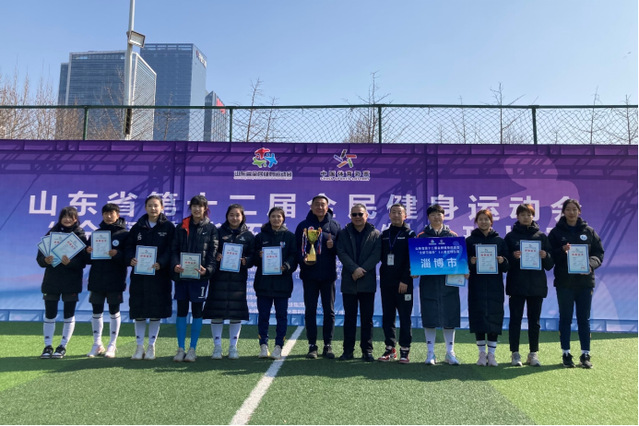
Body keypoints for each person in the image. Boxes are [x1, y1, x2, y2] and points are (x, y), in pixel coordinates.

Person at [548, 199, 604, 369]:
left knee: (584, 319)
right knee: (565, 318)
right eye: (568, 209)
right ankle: (566, 353)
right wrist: (561, 250)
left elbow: (598, 253)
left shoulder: (589, 231)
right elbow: (549, 257)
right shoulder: (556, 233)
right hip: (564, 283)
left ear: (579, 211)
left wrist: (590, 265)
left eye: (574, 209)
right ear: (563, 212)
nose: (571, 212)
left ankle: (585, 354)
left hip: (585, 283)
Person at [125, 194, 175, 360]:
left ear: (162, 208)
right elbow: (129, 246)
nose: (153, 208)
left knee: (155, 311)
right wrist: (131, 258)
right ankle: (139, 346)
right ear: (145, 207)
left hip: (160, 276)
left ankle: (152, 346)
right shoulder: (138, 227)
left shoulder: (168, 227)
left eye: (156, 205)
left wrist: (161, 262)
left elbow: (171, 249)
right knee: (139, 311)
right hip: (140, 276)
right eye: (150, 205)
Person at [504, 203, 554, 367]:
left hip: (536, 285)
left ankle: (533, 353)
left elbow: (550, 265)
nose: (526, 217)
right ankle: (515, 353)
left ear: (533, 216)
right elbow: (504, 264)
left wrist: (546, 256)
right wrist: (513, 257)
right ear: (517, 217)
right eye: (522, 215)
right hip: (517, 284)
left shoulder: (541, 237)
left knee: (535, 321)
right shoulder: (510, 237)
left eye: (529, 214)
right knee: (515, 320)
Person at [203, 204, 255, 360]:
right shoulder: (218, 232)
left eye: (237, 215)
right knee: (217, 313)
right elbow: (210, 251)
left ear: (242, 217)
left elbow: (253, 256)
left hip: (238, 280)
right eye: (231, 215)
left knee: (235, 314)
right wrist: (216, 256)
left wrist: (246, 260)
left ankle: (233, 347)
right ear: (227, 216)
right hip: (218, 278)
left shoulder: (248, 235)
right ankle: (217, 347)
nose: (234, 218)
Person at [171, 195, 219, 362]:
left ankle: (192, 349)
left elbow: (212, 255)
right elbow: (174, 250)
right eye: (194, 206)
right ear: (190, 208)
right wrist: (175, 265)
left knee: (197, 312)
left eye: (200, 206)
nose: (197, 209)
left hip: (199, 278)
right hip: (182, 277)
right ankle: (180, 348)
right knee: (181, 311)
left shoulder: (211, 229)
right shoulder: (181, 227)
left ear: (206, 209)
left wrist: (207, 270)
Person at [36, 206, 88, 359]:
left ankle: (62, 346)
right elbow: (39, 259)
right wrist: (45, 260)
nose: (67, 219)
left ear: (76, 219)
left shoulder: (80, 236)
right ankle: (47, 346)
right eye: (64, 216)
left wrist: (70, 263)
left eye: (71, 217)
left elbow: (84, 261)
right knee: (50, 314)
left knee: (68, 314)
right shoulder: (51, 234)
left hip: (71, 281)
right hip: (52, 280)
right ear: (60, 218)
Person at [295, 194, 341, 359]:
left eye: (323, 204)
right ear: (311, 207)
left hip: (328, 276)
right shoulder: (303, 226)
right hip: (309, 275)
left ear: (327, 207)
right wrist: (303, 260)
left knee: (329, 311)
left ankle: (328, 345)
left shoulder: (335, 226)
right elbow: (296, 249)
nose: (320, 207)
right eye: (317, 204)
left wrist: (333, 246)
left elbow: (342, 250)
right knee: (310, 310)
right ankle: (312, 345)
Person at [417, 204, 461, 365]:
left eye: (439, 214)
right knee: (429, 316)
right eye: (433, 215)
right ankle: (430, 353)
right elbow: (416, 260)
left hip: (448, 283)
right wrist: (414, 270)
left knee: (450, 316)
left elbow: (459, 259)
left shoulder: (452, 236)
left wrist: (463, 270)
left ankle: (450, 353)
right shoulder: (421, 237)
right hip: (429, 283)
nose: (436, 217)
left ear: (444, 216)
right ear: (428, 217)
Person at [336, 204, 381, 362]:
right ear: (350, 216)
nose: (357, 217)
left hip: (367, 282)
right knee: (349, 318)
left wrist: (362, 270)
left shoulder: (375, 234)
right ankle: (348, 351)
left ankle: (367, 351)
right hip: (350, 281)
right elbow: (341, 252)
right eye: (354, 214)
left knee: (367, 319)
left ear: (366, 215)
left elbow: (376, 255)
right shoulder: (344, 233)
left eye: (360, 214)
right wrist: (354, 269)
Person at [466, 209, 509, 367]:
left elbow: (508, 265)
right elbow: (462, 263)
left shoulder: (499, 241)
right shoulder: (470, 241)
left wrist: (502, 261)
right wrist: (470, 262)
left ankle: (491, 355)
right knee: (478, 317)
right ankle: (481, 354)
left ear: (491, 221)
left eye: (486, 219)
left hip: (494, 285)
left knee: (494, 317)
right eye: (480, 219)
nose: (483, 222)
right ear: (476, 221)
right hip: (476, 285)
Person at [253, 207, 298, 360]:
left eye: (279, 216)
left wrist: (286, 266)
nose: (276, 219)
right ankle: (263, 345)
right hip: (263, 283)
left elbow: (294, 257)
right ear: (269, 218)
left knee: (281, 316)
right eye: (273, 216)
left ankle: (279, 345)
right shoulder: (260, 237)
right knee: (263, 316)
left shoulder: (290, 237)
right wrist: (258, 256)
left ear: (283, 218)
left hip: (282, 284)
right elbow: (253, 258)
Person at [85, 203, 129, 358]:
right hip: (97, 278)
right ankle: (97, 344)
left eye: (112, 213)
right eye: (106, 213)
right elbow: (87, 260)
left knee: (113, 311)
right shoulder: (96, 234)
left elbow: (129, 258)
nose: (109, 216)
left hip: (115, 279)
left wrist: (117, 254)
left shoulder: (125, 234)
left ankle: (112, 344)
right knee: (96, 311)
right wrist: (88, 252)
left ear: (118, 214)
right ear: (102, 215)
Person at [378, 203, 416, 363]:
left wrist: (405, 280)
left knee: (405, 317)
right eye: (393, 212)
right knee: (388, 317)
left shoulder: (410, 234)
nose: (396, 215)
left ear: (405, 215)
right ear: (389, 215)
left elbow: (412, 259)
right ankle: (389, 348)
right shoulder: (384, 234)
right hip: (386, 282)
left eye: (399, 212)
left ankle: (405, 350)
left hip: (404, 284)